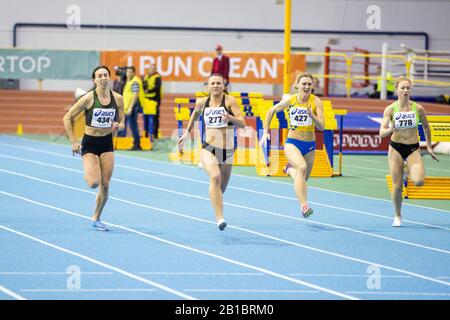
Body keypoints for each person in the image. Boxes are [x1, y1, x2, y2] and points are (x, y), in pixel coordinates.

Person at [177, 74, 245, 230]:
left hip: (227, 151)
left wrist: (229, 117)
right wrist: (187, 132)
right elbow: (194, 114)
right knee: (215, 177)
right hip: (209, 147)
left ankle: (216, 206)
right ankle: (220, 219)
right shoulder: (202, 103)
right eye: (212, 83)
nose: (215, 85)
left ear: (223, 85)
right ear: (208, 86)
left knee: (220, 190)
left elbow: (242, 123)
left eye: (218, 83)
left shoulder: (229, 101)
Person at [63, 65, 125, 231]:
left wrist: (118, 125)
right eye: (100, 75)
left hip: (107, 143)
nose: (103, 78)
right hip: (90, 143)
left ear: (109, 77)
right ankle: (88, 173)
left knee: (105, 183)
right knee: (94, 183)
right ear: (95, 80)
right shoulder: (88, 98)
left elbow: (122, 120)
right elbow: (67, 118)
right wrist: (73, 141)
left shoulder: (118, 98)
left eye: (106, 75)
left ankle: (96, 217)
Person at [260, 72, 324, 218]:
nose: (307, 87)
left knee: (302, 179)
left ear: (312, 86)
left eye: (309, 84)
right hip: (292, 143)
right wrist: (265, 133)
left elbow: (321, 126)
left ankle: (288, 170)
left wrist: (312, 115)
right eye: (304, 84)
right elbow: (271, 111)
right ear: (297, 85)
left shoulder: (316, 102)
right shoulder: (291, 100)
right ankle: (304, 206)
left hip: (310, 145)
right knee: (301, 167)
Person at [379, 76, 438, 227]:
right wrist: (392, 128)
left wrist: (429, 147)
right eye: (402, 88)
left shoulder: (418, 108)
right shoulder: (391, 109)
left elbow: (426, 126)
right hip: (396, 148)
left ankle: (407, 169)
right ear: (397, 90)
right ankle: (398, 215)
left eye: (408, 88)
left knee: (418, 181)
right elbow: (382, 133)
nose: (405, 90)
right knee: (397, 186)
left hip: (413, 148)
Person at [118, 66, 143, 150]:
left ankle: (137, 144)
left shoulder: (134, 81)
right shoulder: (129, 81)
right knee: (131, 125)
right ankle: (136, 144)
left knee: (133, 126)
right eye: (127, 72)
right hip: (127, 107)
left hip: (132, 107)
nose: (128, 73)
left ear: (134, 73)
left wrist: (131, 108)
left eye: (130, 72)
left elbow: (135, 95)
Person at [143, 63, 162, 139]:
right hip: (146, 100)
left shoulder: (157, 77)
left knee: (154, 118)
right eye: (151, 68)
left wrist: (148, 90)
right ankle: (146, 134)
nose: (152, 70)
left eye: (154, 68)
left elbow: (157, 87)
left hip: (154, 100)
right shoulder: (146, 77)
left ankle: (155, 134)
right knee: (146, 118)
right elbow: (143, 86)